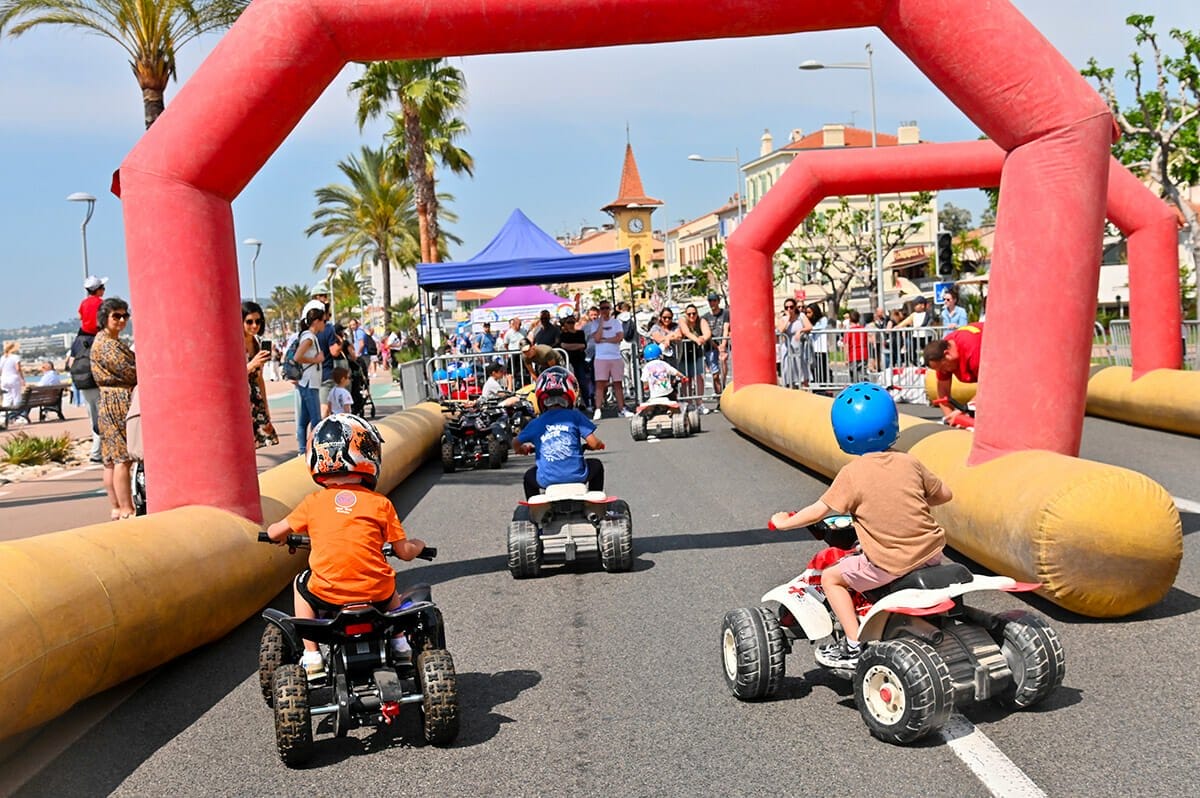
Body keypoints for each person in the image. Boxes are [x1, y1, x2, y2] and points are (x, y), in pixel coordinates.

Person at [768, 382, 952, 668]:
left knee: (832, 577)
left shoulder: (851, 474)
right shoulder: (910, 462)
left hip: (890, 564)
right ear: (893, 423)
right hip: (931, 556)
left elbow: (818, 511)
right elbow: (944, 495)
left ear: (844, 435)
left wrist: (785, 522)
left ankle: (854, 644)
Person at [265, 413, 429, 676]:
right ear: (370, 455)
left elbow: (275, 532)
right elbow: (404, 553)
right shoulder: (380, 504)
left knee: (300, 582)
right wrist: (418, 545)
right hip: (375, 593)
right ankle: (399, 644)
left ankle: (312, 655)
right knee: (386, 578)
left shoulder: (312, 502)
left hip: (327, 593)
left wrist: (278, 536)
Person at [515, 368, 606, 499]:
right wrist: (598, 445)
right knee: (596, 465)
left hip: (546, 480)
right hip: (577, 476)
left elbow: (515, 443)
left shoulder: (536, 423)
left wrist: (522, 449)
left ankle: (533, 511)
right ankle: (595, 503)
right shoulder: (574, 416)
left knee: (528, 477)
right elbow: (593, 442)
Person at [90, 298, 138, 520]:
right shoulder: (108, 345)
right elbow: (130, 371)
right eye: (116, 316)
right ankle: (126, 507)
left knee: (110, 459)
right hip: (117, 400)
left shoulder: (105, 341)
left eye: (124, 316)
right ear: (105, 318)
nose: (121, 320)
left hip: (108, 400)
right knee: (122, 458)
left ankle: (117, 506)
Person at [923, 322, 985, 424]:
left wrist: (963, 410)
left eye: (942, 368)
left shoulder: (973, 352)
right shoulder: (942, 354)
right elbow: (943, 394)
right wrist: (951, 419)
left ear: (947, 354)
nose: (943, 372)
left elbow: (990, 388)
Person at [242, 301, 278, 449]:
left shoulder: (257, 343)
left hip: (255, 400)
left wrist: (266, 406)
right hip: (241, 399)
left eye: (258, 321)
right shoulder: (235, 342)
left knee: (258, 443)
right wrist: (252, 364)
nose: (254, 325)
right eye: (249, 322)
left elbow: (259, 378)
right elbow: (232, 375)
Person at [591, 300, 632, 419]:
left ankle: (621, 408)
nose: (605, 311)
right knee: (600, 384)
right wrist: (601, 324)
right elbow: (597, 338)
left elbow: (619, 337)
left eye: (606, 308)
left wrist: (606, 339)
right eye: (602, 308)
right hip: (601, 357)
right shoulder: (595, 323)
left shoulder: (616, 322)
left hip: (615, 356)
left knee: (618, 383)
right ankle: (598, 409)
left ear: (610, 309)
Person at [294, 307, 326, 455]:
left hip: (308, 382)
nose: (325, 324)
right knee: (315, 419)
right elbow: (297, 357)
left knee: (304, 420)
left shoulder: (310, 336)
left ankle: (302, 450)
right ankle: (314, 450)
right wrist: (315, 359)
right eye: (323, 321)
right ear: (316, 321)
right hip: (309, 383)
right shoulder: (309, 338)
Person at [68, 327, 102, 462]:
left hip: (84, 384)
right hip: (97, 383)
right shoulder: (98, 339)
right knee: (103, 418)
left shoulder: (77, 343)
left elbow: (70, 363)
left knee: (93, 419)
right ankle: (98, 451)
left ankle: (96, 451)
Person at [677, 304, 712, 412]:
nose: (692, 316)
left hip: (697, 353)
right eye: (689, 314)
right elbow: (686, 332)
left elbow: (707, 333)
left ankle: (699, 403)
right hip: (684, 353)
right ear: (686, 314)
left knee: (699, 377)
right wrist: (697, 340)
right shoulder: (682, 320)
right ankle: (688, 403)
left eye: (694, 313)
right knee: (686, 379)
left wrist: (703, 338)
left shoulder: (701, 321)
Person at [557, 312, 590, 409]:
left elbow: (583, 345)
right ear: (565, 324)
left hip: (579, 361)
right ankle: (573, 403)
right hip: (568, 362)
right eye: (569, 322)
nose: (571, 324)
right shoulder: (563, 335)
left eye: (572, 322)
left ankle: (586, 403)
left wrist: (571, 346)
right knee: (570, 383)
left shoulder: (580, 333)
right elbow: (563, 346)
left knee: (582, 382)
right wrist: (576, 346)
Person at [702, 292, 730, 400]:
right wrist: (716, 346)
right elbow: (706, 333)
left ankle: (722, 388)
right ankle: (719, 394)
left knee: (723, 363)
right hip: (710, 347)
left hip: (723, 344)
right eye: (710, 300)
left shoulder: (725, 313)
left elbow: (726, 328)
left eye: (714, 300)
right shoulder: (705, 317)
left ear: (718, 301)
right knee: (715, 374)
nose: (712, 303)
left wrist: (723, 344)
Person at [806, 302, 831, 386]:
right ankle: (815, 387)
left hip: (821, 349)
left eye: (809, 312)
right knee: (813, 371)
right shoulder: (809, 322)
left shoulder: (823, 319)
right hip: (812, 350)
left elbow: (820, 328)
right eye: (807, 313)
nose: (807, 315)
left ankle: (823, 387)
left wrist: (809, 328)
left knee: (822, 371)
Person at [844, 310, 869, 382]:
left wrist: (846, 358)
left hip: (853, 355)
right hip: (863, 354)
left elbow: (846, 345)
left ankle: (856, 390)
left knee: (854, 376)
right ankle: (865, 389)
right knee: (863, 375)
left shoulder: (849, 331)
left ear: (850, 319)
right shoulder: (863, 330)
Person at [0, 342, 25, 410]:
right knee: (16, 397)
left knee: (7, 398)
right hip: (13, 379)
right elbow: (18, 369)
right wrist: (22, 379)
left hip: (4, 379)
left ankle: (4, 415)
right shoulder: (15, 357)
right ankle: (17, 414)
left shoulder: (2, 358)